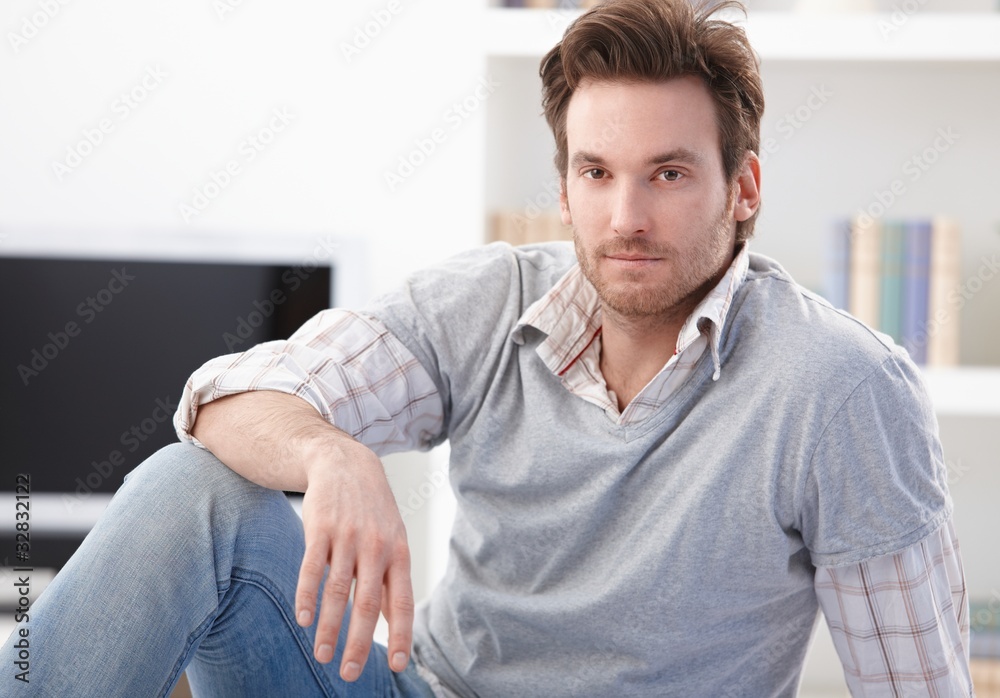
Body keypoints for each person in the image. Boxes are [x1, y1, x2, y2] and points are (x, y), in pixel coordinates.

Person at [3, 0, 972, 695]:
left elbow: (914, 683)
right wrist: (327, 452)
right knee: (193, 489)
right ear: (564, 182)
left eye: (668, 172)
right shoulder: (488, 299)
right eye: (596, 171)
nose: (624, 214)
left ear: (743, 184)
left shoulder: (842, 388)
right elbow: (226, 398)